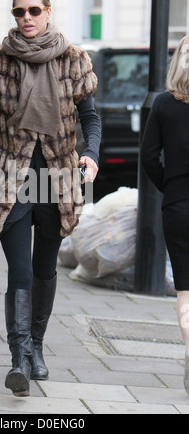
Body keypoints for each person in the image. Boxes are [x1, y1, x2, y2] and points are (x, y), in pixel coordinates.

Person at [0, 0, 101, 397]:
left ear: (48, 11)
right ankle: (19, 358)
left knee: (45, 270)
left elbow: (90, 118)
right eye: (18, 12)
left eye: (33, 11)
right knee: (19, 271)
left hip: (57, 178)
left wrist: (90, 154)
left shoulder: (73, 61)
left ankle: (37, 347)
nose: (26, 19)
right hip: (9, 178)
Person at [141, 34, 189, 395]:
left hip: (178, 206)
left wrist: (170, 184)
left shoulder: (163, 104)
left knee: (185, 295)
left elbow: (148, 158)